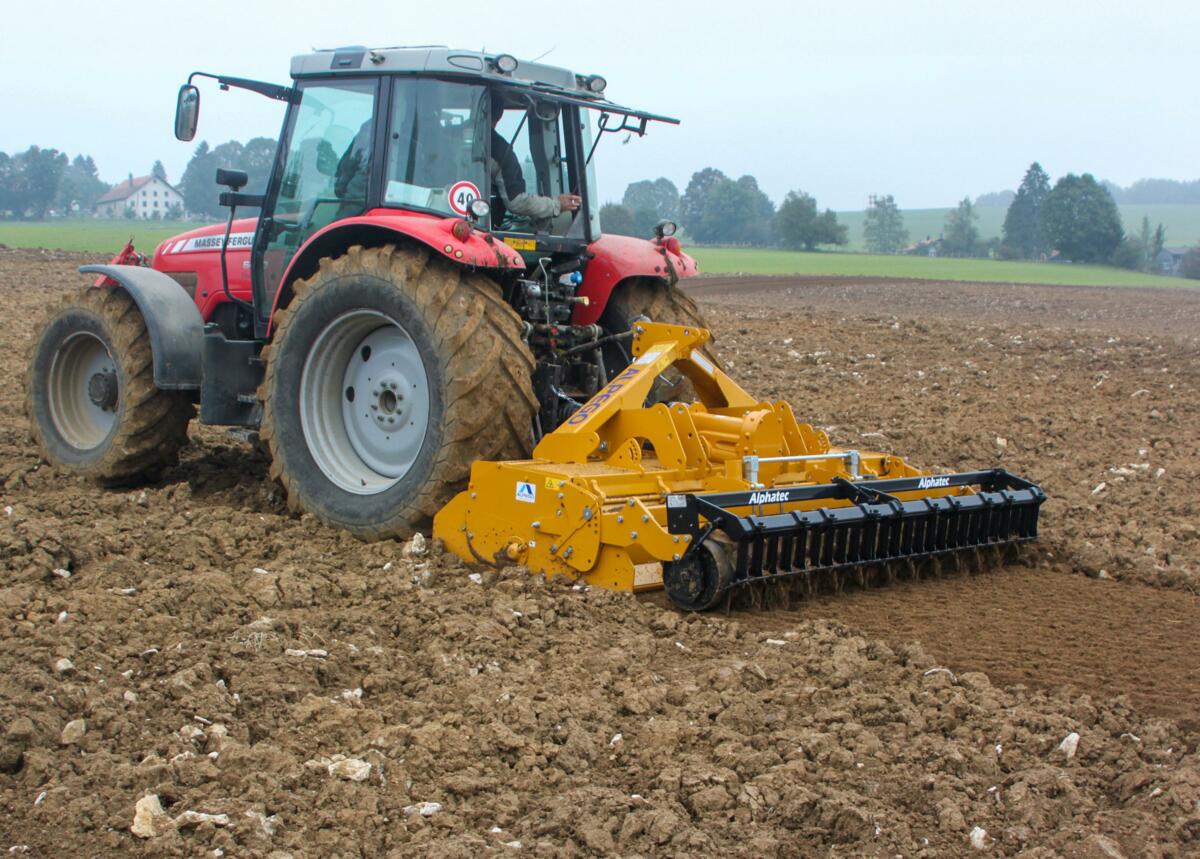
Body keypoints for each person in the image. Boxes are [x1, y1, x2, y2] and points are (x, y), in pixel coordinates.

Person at [489, 92, 581, 226]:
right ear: (498, 117)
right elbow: (516, 201)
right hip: (482, 231)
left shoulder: (454, 137)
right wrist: (557, 204)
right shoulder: (499, 150)